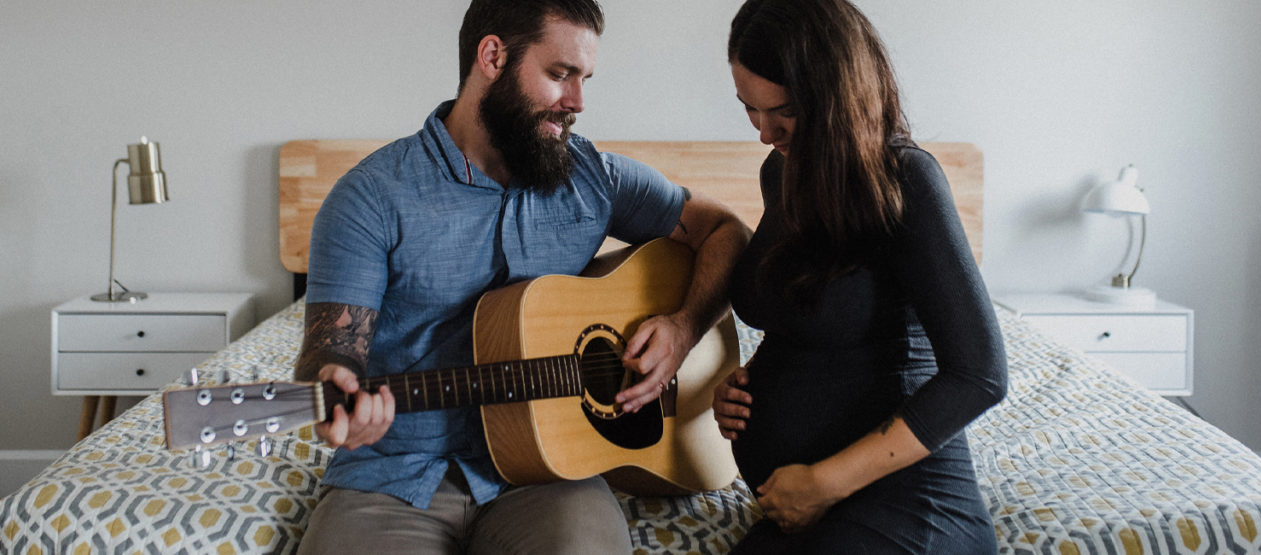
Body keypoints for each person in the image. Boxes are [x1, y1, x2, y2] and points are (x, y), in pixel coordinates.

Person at [293, 1, 750, 553]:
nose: (578, 102)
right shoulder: (369, 197)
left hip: (549, 473)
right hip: (390, 476)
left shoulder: (593, 177)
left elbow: (725, 230)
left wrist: (682, 328)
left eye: (584, 79)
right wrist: (336, 393)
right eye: (560, 75)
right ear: (492, 56)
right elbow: (332, 353)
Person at [711, 0, 1008, 553]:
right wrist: (745, 383)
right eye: (749, 109)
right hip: (803, 510)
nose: (764, 131)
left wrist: (823, 484)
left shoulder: (906, 180)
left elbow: (980, 374)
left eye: (785, 110)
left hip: (905, 504)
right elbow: (816, 309)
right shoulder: (783, 170)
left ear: (833, 96)